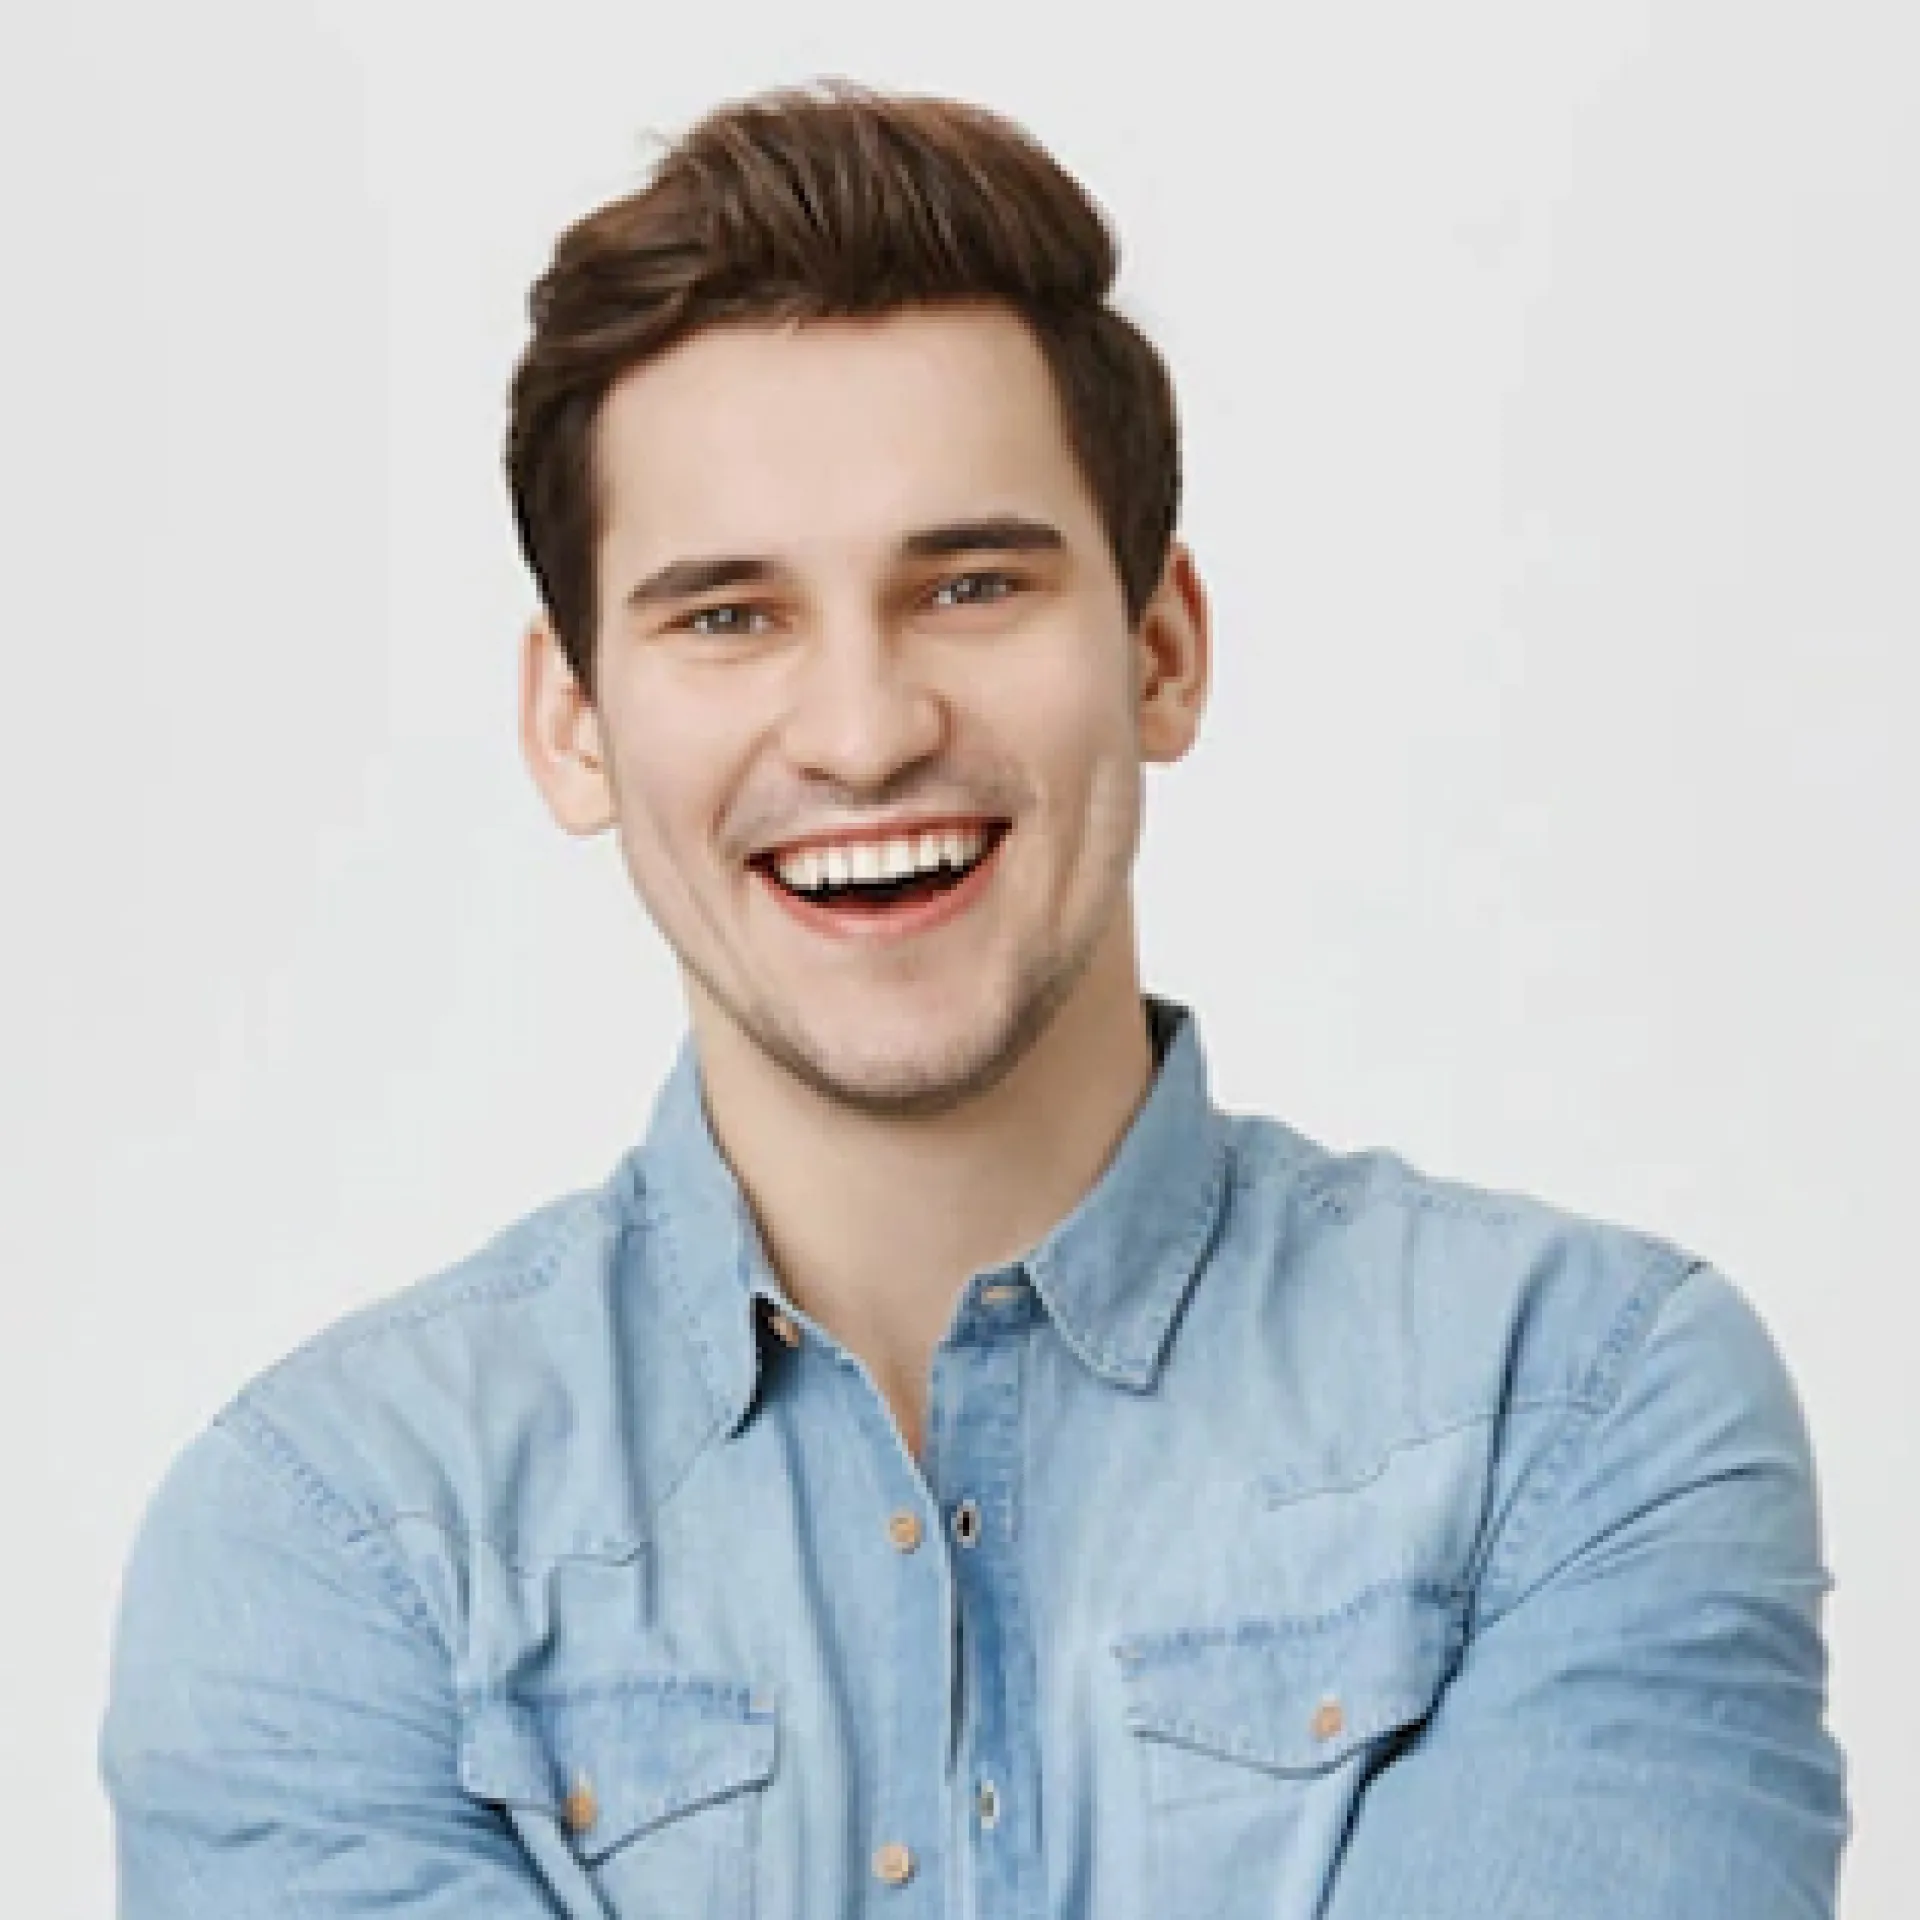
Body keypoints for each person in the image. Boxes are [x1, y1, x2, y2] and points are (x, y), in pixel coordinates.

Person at [101, 80, 1850, 1918]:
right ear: (573, 722)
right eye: (727, 616)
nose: (865, 732)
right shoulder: (333, 1544)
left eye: (970, 585)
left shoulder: (1572, 1408)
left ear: (1161, 650)